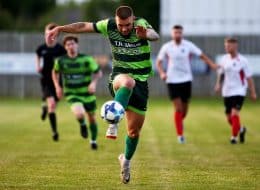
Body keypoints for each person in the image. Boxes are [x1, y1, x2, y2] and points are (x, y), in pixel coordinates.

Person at [46, 5, 159, 184]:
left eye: (127, 25)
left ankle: (126, 162)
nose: (124, 28)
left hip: (141, 85)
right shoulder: (109, 25)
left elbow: (155, 35)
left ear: (133, 19)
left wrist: (146, 35)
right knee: (128, 81)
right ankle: (112, 122)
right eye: (121, 25)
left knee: (134, 132)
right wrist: (60, 28)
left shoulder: (140, 24)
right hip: (119, 78)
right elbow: (83, 26)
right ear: (116, 19)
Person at [156, 25, 218, 144]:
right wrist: (162, 73)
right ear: (172, 34)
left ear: (182, 34)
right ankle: (180, 135)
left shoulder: (188, 45)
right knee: (178, 108)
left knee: (184, 111)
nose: (177, 34)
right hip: (172, 80)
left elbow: (202, 55)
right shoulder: (167, 47)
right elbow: (159, 62)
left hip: (186, 80)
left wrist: (212, 64)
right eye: (175, 32)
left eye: (179, 32)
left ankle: (178, 121)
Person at [52, 35, 102, 150]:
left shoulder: (86, 59)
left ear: (77, 44)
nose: (71, 46)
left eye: (73, 43)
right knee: (79, 113)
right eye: (68, 44)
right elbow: (55, 72)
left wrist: (93, 83)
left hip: (87, 93)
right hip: (72, 93)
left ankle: (93, 141)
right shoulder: (61, 61)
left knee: (92, 118)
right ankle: (82, 124)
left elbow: (98, 72)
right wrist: (57, 87)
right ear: (65, 47)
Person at [215, 37, 257, 144]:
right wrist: (218, 85)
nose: (227, 47)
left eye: (229, 45)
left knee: (234, 114)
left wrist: (252, 92)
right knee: (229, 118)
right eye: (226, 45)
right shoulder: (224, 59)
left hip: (239, 90)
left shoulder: (242, 61)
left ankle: (234, 137)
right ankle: (241, 129)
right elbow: (221, 73)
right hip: (227, 91)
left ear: (235, 46)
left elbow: (249, 78)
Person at [36, 23, 66, 141]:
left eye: (51, 34)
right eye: (46, 34)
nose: (48, 36)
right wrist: (38, 65)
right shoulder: (41, 48)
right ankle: (54, 132)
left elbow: (65, 62)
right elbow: (38, 56)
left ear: (56, 35)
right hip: (46, 79)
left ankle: (44, 107)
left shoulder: (60, 49)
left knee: (54, 104)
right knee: (52, 105)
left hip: (58, 80)